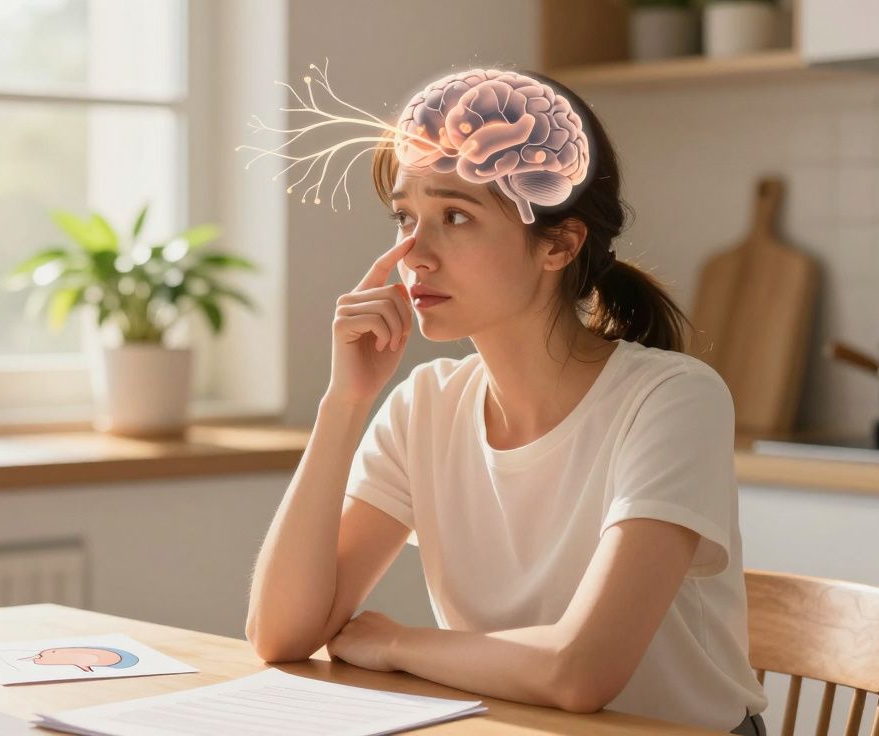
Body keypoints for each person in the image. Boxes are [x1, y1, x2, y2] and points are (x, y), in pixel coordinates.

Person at [244, 67, 768, 735]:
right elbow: (281, 634)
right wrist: (343, 404)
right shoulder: (423, 405)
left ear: (559, 243)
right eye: (406, 217)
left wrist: (398, 645)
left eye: (455, 216)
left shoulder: (673, 400)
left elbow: (580, 672)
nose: (415, 256)